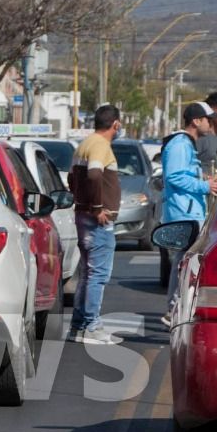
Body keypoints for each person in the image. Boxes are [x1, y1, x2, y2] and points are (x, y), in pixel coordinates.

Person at [161, 102, 217, 323]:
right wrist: (205, 187)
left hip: (189, 211)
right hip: (183, 212)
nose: (211, 122)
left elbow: (185, 174)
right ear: (196, 121)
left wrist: (206, 181)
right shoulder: (180, 144)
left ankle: (174, 308)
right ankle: (174, 308)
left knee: (185, 262)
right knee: (186, 263)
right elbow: (174, 177)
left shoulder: (186, 144)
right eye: (208, 119)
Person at [67, 104, 124, 345]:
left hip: (82, 216)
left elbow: (72, 177)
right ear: (116, 124)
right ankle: (91, 326)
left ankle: (79, 325)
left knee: (88, 273)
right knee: (98, 274)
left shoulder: (85, 143)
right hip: (98, 221)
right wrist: (98, 207)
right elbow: (94, 174)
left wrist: (83, 202)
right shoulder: (101, 145)